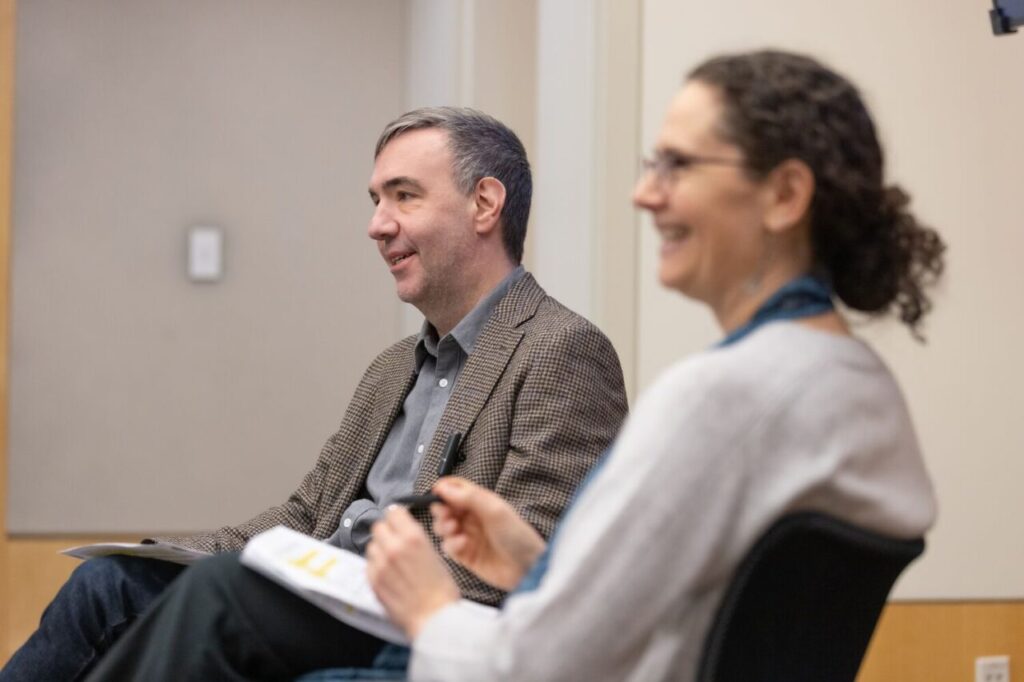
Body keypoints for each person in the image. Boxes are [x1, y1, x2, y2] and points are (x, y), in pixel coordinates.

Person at [362, 49, 946, 680]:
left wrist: (429, 609)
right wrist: (536, 567)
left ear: (784, 194)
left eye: (678, 166)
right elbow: (718, 632)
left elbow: (530, 670)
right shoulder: (862, 387)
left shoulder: (720, 400)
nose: (644, 195)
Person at [1, 107, 628, 681]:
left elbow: (536, 560)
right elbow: (306, 517)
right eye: (376, 200)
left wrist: (377, 581)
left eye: (404, 196)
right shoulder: (391, 369)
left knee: (221, 595)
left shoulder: (561, 349)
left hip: (413, 622)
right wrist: (175, 554)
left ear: (484, 204)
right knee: (109, 583)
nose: (377, 225)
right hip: (319, 599)